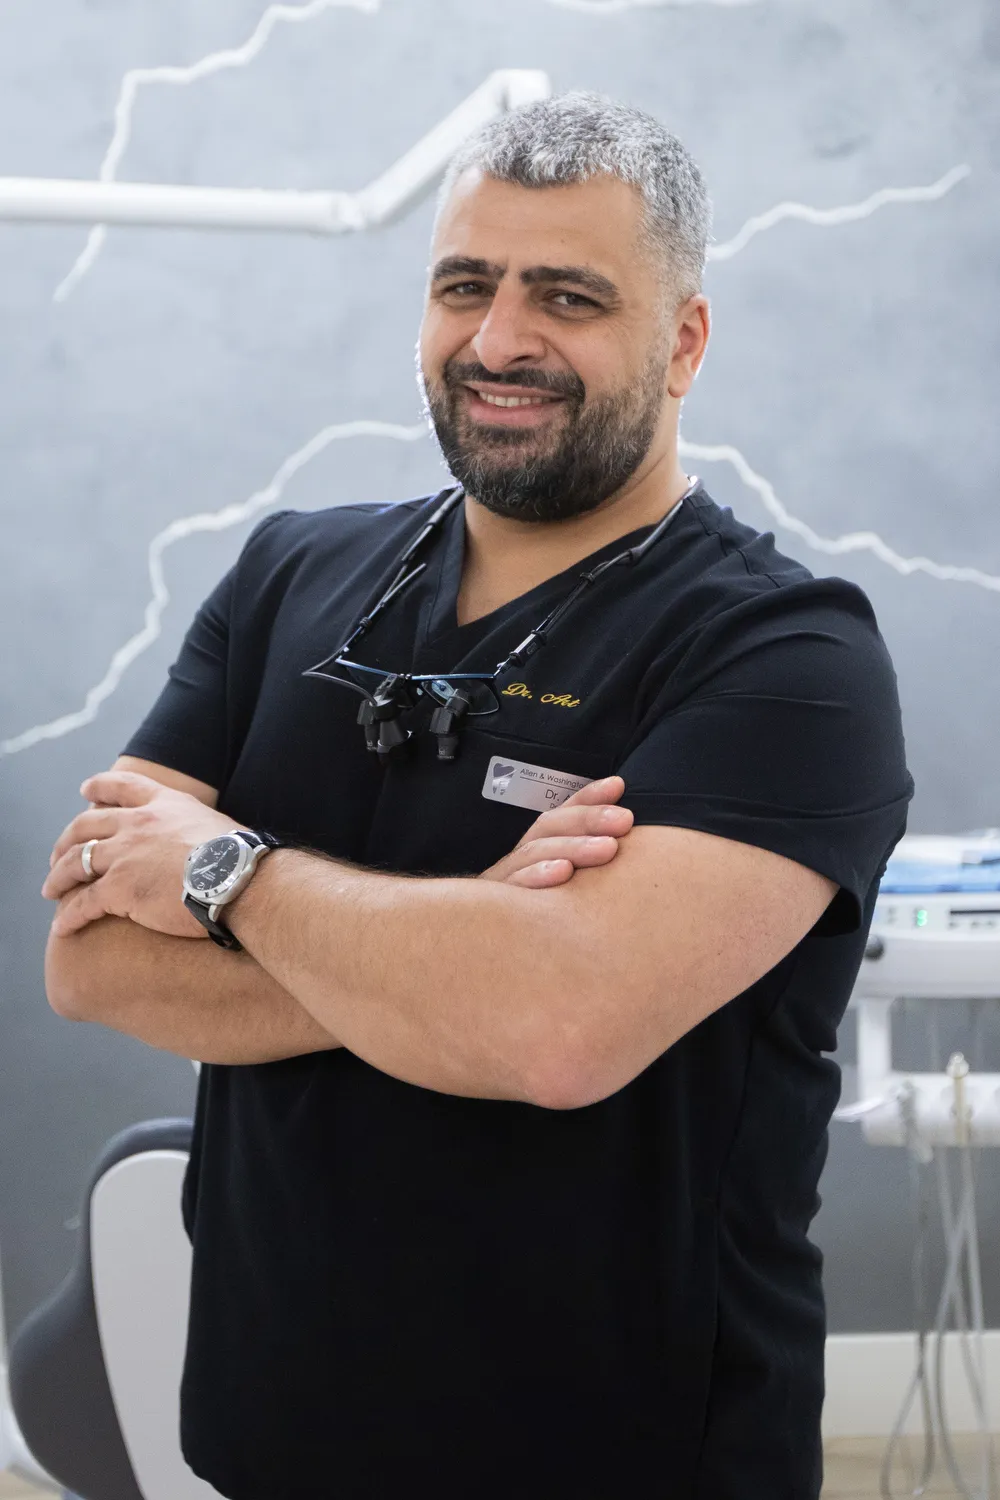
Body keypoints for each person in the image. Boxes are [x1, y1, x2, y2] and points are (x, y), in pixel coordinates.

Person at [42, 93, 912, 1500]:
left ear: (684, 341)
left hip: (624, 1454)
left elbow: (553, 1032)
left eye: (568, 296)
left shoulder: (787, 656)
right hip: (272, 1425)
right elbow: (89, 960)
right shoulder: (286, 575)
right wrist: (466, 950)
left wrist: (227, 876)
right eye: (465, 285)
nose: (500, 340)